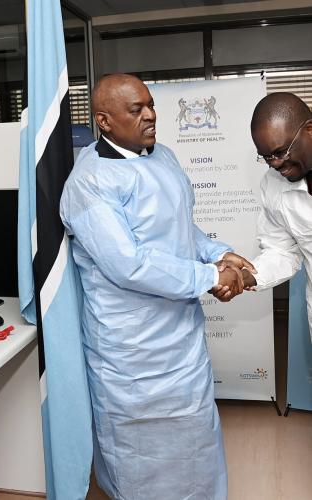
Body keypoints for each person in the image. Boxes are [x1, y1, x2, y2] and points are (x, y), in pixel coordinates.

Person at [60, 74, 254, 500]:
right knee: (140, 455)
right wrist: (209, 277)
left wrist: (218, 254)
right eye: (136, 110)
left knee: (196, 437)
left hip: (180, 338)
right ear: (104, 121)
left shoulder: (162, 156)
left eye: (151, 105)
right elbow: (129, 264)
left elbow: (182, 230)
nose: (150, 115)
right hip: (132, 352)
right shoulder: (89, 185)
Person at [237, 93, 312, 327]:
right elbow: (282, 251)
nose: (275, 164)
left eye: (280, 153)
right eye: (267, 157)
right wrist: (247, 276)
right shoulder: (273, 184)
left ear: (309, 130)